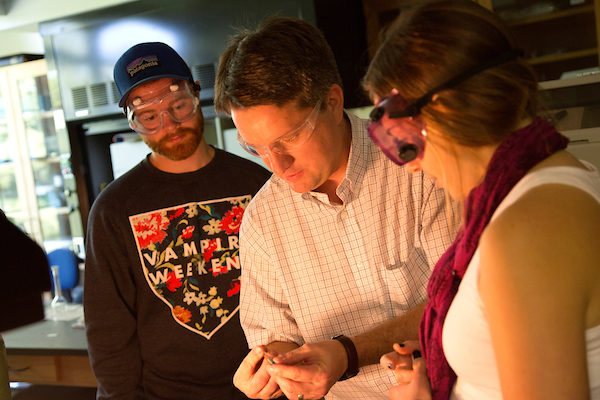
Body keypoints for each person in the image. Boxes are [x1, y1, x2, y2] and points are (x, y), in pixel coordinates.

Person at [362, 1, 600, 399]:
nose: (409, 166)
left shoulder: (527, 230)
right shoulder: (535, 193)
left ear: (443, 107)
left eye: (400, 139)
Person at [213, 16, 459, 400]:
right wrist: (277, 366)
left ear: (332, 100)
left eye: (289, 137)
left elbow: (460, 300)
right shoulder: (262, 219)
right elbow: (275, 338)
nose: (277, 165)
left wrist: (346, 354)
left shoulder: (418, 167)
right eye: (256, 148)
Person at [84, 42, 272, 399]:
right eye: (150, 117)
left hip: (263, 388)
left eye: (178, 106)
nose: (169, 125)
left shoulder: (257, 184)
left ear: (196, 95)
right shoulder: (113, 209)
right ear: (132, 122)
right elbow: (107, 331)